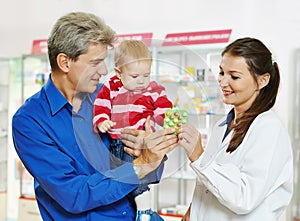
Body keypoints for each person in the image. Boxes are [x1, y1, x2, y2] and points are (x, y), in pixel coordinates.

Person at [12, 12, 178, 221]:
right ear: (65, 62)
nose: (105, 70)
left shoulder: (111, 97)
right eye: (95, 62)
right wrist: (139, 166)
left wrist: (146, 149)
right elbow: (74, 195)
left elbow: (150, 170)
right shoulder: (30, 121)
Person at [178, 37, 293, 221]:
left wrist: (199, 156)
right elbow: (210, 184)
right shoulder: (221, 126)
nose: (223, 82)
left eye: (234, 76)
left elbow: (244, 197)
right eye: (222, 73)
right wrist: (193, 211)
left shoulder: (269, 129)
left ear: (263, 80)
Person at [93, 39, 173, 198]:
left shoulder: (152, 89)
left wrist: (167, 119)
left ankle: (141, 196)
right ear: (118, 72)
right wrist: (101, 120)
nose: (142, 80)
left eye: (146, 75)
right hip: (118, 143)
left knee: (140, 185)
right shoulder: (112, 86)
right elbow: (101, 104)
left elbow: (163, 106)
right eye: (135, 76)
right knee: (120, 181)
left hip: (142, 139)